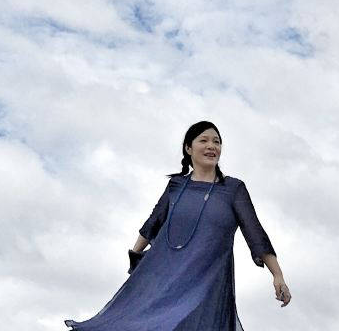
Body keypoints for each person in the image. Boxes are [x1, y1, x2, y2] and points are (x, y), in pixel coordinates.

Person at [64, 121, 291, 330]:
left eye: (216, 141)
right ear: (188, 148)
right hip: (165, 276)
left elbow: (255, 233)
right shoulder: (176, 186)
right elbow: (154, 222)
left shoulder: (233, 189)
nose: (211, 146)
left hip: (206, 282)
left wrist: (277, 275)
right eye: (204, 140)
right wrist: (135, 256)